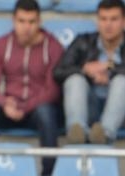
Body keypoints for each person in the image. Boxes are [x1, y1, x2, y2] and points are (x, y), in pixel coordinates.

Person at [0, 0, 64, 176]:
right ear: (13, 20)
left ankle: (48, 175)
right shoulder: (1, 45)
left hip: (35, 110)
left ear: (39, 21)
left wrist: (26, 106)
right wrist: (5, 102)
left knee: (46, 112)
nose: (26, 27)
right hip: (9, 107)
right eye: (22, 21)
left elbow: (52, 91)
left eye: (31, 22)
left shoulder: (52, 46)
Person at [53, 0, 125, 145]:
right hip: (89, 107)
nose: (108, 25)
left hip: (121, 114)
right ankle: (77, 131)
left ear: (123, 21)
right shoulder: (83, 41)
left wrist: (109, 69)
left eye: (114, 19)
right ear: (97, 21)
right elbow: (58, 72)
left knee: (121, 81)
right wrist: (85, 70)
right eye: (103, 19)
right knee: (75, 79)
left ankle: (105, 134)